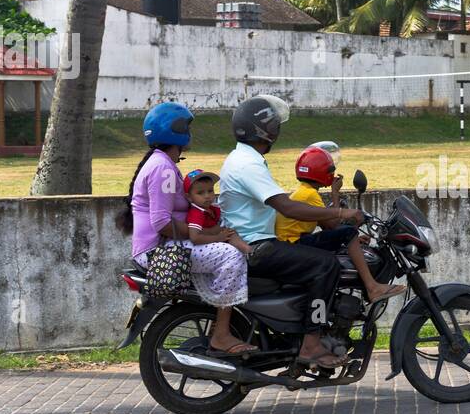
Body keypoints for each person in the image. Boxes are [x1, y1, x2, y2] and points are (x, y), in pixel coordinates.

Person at [219, 95, 366, 369]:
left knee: (314, 252)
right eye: (274, 123)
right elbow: (288, 207)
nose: (277, 128)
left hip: (254, 242)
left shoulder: (242, 158)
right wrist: (340, 213)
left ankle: (309, 331)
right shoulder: (247, 164)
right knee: (325, 266)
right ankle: (311, 345)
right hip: (258, 247)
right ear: (264, 129)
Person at [117, 102, 254, 355]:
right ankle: (221, 334)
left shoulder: (162, 164)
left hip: (166, 245)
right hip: (159, 251)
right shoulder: (163, 169)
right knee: (231, 256)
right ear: (176, 131)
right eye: (187, 127)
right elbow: (161, 222)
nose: (190, 133)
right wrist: (208, 235)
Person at [276, 144, 404, 303]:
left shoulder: (303, 190)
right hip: (294, 244)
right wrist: (335, 193)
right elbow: (333, 225)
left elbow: (326, 227)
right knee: (347, 232)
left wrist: (353, 242)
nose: (333, 174)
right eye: (330, 171)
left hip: (292, 243)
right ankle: (372, 287)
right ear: (320, 172)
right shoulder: (309, 194)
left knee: (348, 235)